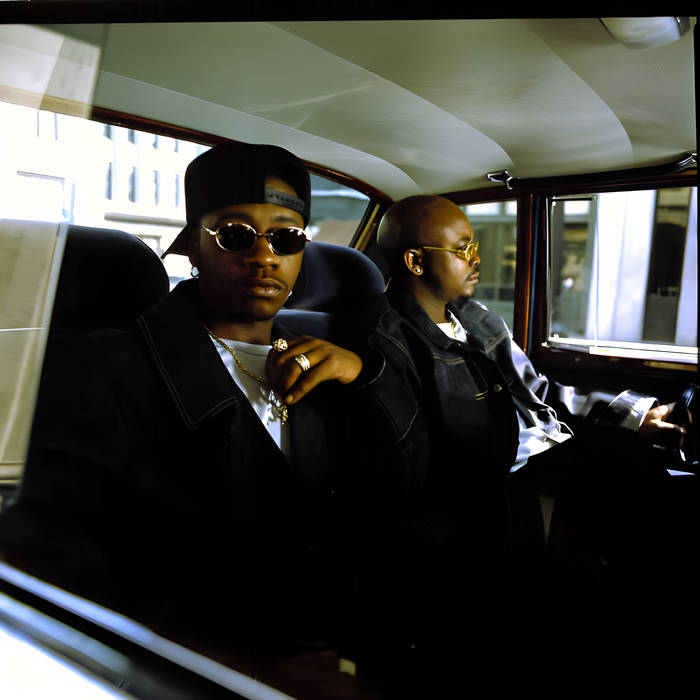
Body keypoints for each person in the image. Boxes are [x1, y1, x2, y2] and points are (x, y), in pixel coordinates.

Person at [0, 142, 422, 693]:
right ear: (192, 246)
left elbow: (402, 500)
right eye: (236, 235)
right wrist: (234, 665)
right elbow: (57, 562)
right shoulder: (102, 369)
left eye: (286, 237)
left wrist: (368, 379)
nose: (264, 255)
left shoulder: (330, 366)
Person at [369, 194, 692, 689]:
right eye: (462, 248)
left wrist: (635, 414)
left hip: (551, 454)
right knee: (639, 486)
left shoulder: (476, 318)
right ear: (415, 261)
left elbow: (538, 390)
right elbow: (432, 453)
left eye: (475, 246)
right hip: (506, 477)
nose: (476, 259)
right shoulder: (390, 341)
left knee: (655, 469)